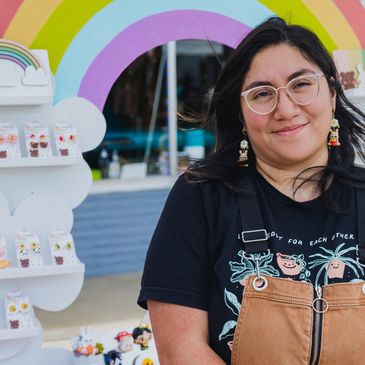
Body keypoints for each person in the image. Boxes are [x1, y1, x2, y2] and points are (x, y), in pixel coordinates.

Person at [138, 17, 365, 364]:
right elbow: (180, 350)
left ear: (333, 94)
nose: (286, 109)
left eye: (301, 84)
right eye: (262, 93)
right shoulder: (200, 197)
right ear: (241, 114)